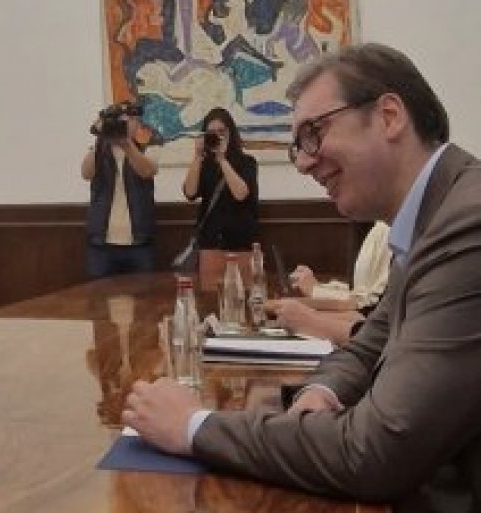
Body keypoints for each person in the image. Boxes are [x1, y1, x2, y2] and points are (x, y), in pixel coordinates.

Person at [123, 43, 481, 510]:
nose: (306, 162)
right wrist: (320, 392)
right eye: (298, 146)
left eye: (314, 133)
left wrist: (193, 426)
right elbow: (368, 345)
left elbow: (375, 453)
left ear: (389, 116)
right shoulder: (433, 216)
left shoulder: (467, 224)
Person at [269, 221, 392, 345]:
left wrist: (312, 315)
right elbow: (364, 301)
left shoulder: (387, 230)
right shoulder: (377, 227)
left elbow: (366, 306)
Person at [81, 103, 158, 278]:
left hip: (139, 243)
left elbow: (146, 171)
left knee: (143, 293)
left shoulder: (148, 147)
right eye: (122, 120)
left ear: (138, 124)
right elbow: (86, 173)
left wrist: (127, 145)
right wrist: (100, 138)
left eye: (132, 120)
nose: (127, 124)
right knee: (99, 293)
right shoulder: (100, 150)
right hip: (102, 243)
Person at [182, 107, 258, 251]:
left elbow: (241, 194)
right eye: (211, 133)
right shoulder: (204, 165)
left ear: (231, 133)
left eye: (221, 132)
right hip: (209, 242)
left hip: (240, 241)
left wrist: (222, 159)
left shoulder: (247, 162)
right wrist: (197, 157)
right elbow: (190, 193)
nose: (217, 137)